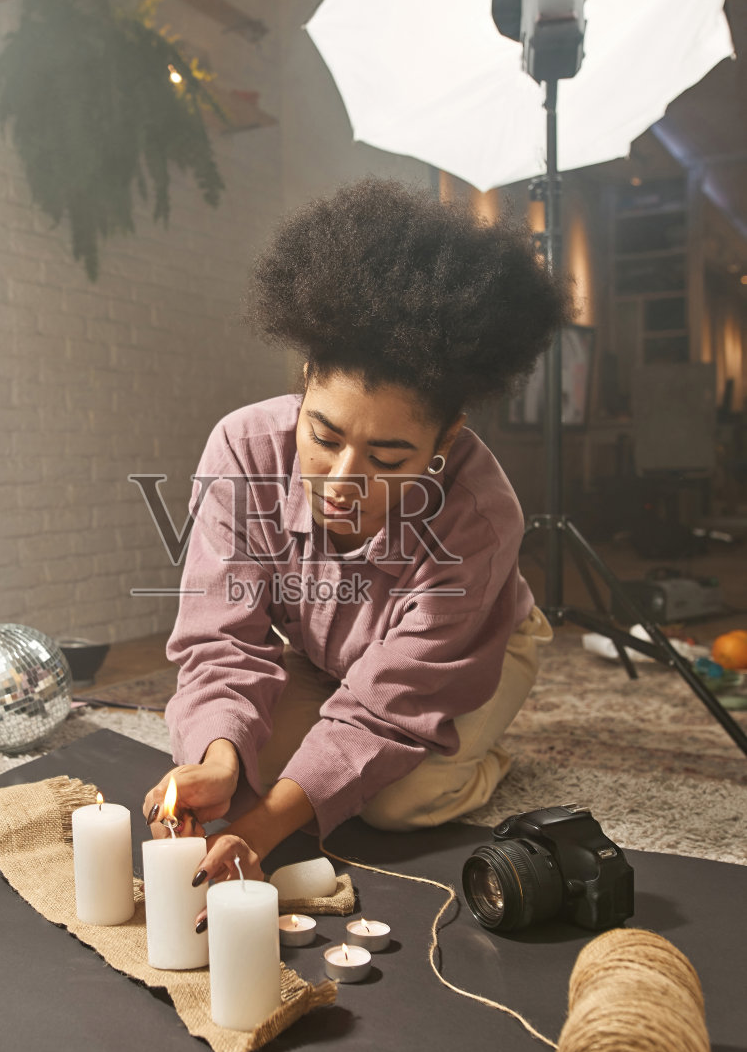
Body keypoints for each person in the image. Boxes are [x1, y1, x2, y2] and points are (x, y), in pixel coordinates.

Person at [144, 178, 569, 929]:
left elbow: (391, 709)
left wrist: (260, 830)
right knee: (245, 762)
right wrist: (215, 761)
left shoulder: (480, 514)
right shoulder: (241, 449)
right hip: (326, 650)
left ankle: (484, 756)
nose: (342, 484)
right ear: (305, 382)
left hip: (473, 652)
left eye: (391, 454)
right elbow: (219, 638)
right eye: (326, 436)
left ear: (449, 438)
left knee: (401, 803)